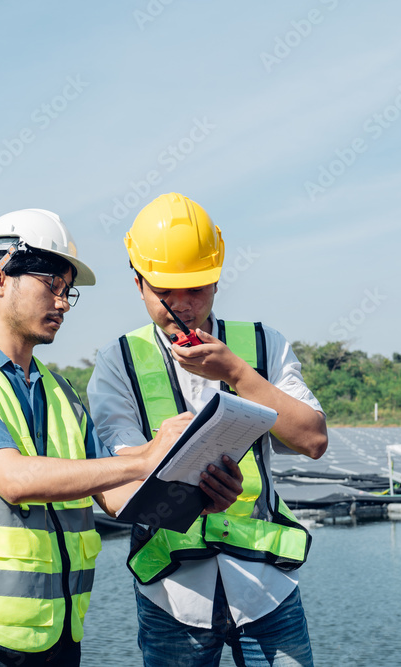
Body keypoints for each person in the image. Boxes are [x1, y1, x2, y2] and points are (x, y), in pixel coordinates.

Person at [0, 207, 243, 666]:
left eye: (68, 292)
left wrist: (198, 496)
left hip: (58, 634)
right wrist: (145, 457)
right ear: (0, 279)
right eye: (53, 286)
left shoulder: (59, 393)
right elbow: (15, 480)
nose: (63, 303)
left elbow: (118, 496)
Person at [87, 193, 329, 666]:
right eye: (165, 292)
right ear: (138, 283)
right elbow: (118, 488)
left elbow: (314, 440)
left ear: (217, 281)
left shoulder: (261, 345)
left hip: (266, 587)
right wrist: (195, 498)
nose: (183, 305)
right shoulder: (117, 361)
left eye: (196, 288)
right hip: (173, 597)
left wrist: (238, 373)